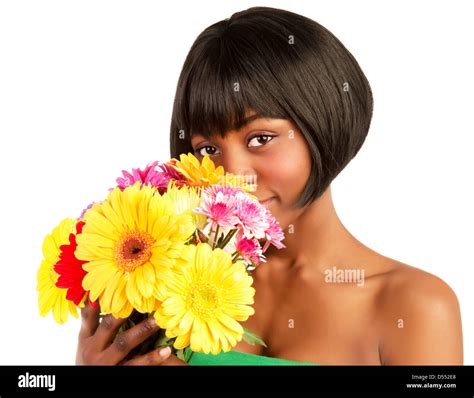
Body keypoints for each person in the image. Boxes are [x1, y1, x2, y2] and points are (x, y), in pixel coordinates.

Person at [76, 6, 463, 366]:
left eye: (260, 138)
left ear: (322, 126)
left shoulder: (415, 306)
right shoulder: (157, 286)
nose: (232, 176)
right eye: (208, 148)